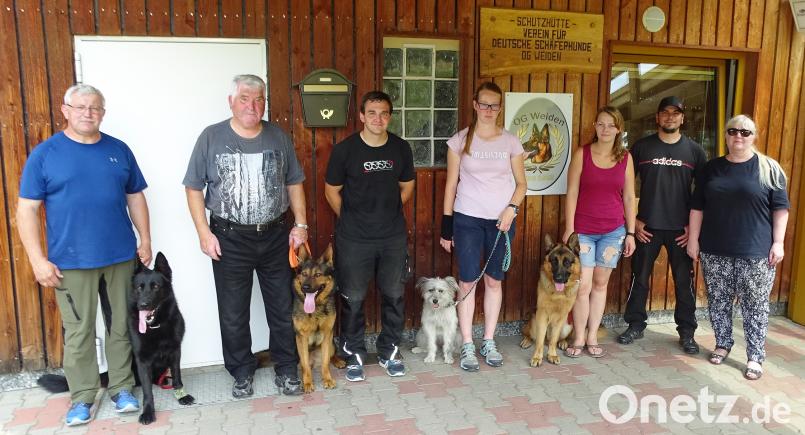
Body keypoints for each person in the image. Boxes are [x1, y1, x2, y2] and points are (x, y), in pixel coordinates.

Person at [17, 84, 150, 426]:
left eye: (95, 108)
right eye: (80, 107)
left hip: (120, 256)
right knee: (79, 332)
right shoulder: (45, 155)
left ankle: (122, 388)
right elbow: (27, 210)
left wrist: (145, 238)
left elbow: (135, 196)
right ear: (65, 110)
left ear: (103, 113)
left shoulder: (118, 150)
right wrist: (37, 260)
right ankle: (82, 398)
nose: (88, 113)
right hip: (71, 262)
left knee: (120, 326)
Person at [183, 74, 306, 397]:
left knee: (281, 306)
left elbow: (294, 182)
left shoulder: (278, 137)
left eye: (259, 99)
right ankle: (240, 371)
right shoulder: (211, 137)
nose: (253, 106)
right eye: (245, 99)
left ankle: (287, 368)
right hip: (229, 238)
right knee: (233, 311)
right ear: (231, 101)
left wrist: (301, 225)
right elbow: (193, 188)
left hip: (276, 234)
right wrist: (203, 232)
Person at [687, 115, 789, 380]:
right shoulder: (711, 168)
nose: (738, 137)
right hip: (715, 249)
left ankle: (755, 356)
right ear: (725, 135)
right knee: (719, 302)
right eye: (733, 131)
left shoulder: (769, 168)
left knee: (755, 306)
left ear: (753, 136)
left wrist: (778, 243)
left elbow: (781, 209)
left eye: (745, 132)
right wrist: (693, 240)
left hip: (755, 252)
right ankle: (723, 343)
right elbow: (697, 207)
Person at [324, 91, 415, 381]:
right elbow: (331, 191)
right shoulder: (345, 150)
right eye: (372, 113)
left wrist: (387, 212)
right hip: (354, 239)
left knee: (394, 296)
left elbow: (407, 185)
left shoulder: (400, 148)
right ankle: (353, 355)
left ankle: (389, 352)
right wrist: (352, 219)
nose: (379, 118)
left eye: (384, 113)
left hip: (392, 237)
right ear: (362, 116)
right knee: (352, 299)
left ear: (390, 116)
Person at [439, 82, 527, 371]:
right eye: (484, 104)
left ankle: (488, 340)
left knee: (493, 281)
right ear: (475, 105)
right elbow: (451, 184)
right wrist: (446, 227)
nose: (489, 110)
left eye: (495, 105)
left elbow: (521, 184)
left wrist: (511, 209)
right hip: (467, 219)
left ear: (500, 108)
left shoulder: (512, 142)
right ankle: (467, 343)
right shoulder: (460, 141)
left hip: (501, 222)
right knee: (467, 281)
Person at [617, 96, 706, 355]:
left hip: (681, 230)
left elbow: (703, 194)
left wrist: (693, 229)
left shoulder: (694, 152)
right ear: (657, 117)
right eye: (665, 112)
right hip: (647, 228)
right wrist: (633, 221)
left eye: (675, 113)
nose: (670, 117)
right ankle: (635, 325)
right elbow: (623, 187)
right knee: (639, 279)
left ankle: (687, 333)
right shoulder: (642, 148)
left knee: (683, 282)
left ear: (682, 118)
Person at [563, 106, 636, 358]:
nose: (605, 129)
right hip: (582, 230)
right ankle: (579, 336)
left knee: (600, 284)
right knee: (582, 286)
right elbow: (571, 192)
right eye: (601, 124)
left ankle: (593, 335)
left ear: (619, 129)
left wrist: (631, 232)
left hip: (613, 231)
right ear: (595, 126)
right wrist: (569, 228)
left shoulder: (625, 158)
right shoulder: (582, 154)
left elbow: (628, 196)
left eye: (611, 125)